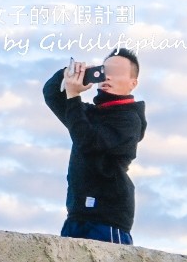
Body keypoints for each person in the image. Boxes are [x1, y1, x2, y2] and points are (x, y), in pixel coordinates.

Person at [42, 48, 148, 244]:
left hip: (106, 219)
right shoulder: (89, 114)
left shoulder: (130, 120)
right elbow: (51, 94)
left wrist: (74, 97)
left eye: (117, 73)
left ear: (133, 83)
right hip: (76, 215)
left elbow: (89, 142)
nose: (108, 77)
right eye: (105, 70)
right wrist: (72, 72)